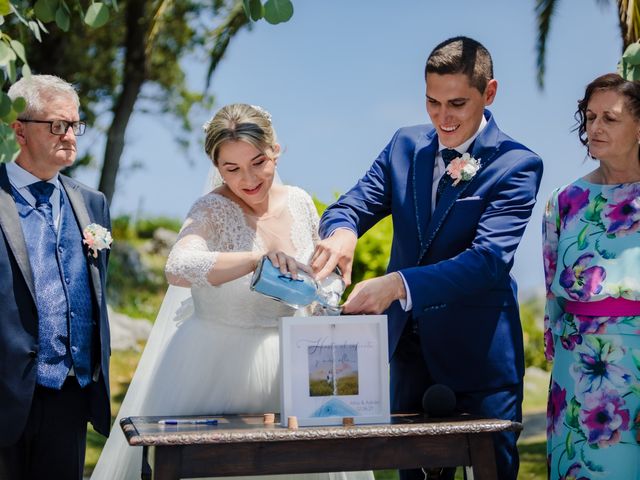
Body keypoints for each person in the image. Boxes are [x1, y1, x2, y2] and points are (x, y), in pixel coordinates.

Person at [91, 103, 373, 480]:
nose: (249, 178)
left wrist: (327, 291)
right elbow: (178, 266)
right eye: (232, 168)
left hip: (292, 368)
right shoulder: (210, 209)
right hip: (216, 368)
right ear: (216, 167)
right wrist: (255, 259)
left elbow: (323, 272)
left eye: (258, 162)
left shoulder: (301, 201)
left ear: (276, 150)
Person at [312, 37, 544, 480]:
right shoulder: (404, 145)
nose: (443, 117)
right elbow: (350, 206)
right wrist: (342, 232)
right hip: (409, 356)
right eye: (432, 102)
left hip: (480, 361)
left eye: (457, 103)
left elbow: (488, 260)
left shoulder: (517, 164)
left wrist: (397, 285)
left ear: (489, 93)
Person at [0, 75, 112, 479]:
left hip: (71, 390)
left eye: (75, 125)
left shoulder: (92, 203)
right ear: (19, 131)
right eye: (57, 125)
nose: (70, 136)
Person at [543, 73, 640, 479]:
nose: (595, 128)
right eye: (590, 117)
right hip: (580, 378)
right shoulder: (564, 201)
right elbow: (553, 297)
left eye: (610, 118)